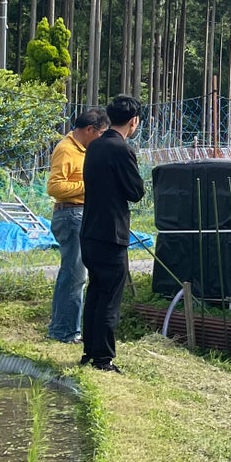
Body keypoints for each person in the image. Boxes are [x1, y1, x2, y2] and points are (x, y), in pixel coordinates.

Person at [80, 94, 144, 372]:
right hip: (111, 231)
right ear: (134, 121)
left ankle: (89, 351)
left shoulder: (94, 146)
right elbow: (136, 192)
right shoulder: (122, 150)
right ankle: (103, 359)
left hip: (90, 228)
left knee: (94, 291)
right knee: (110, 296)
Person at [45, 107, 108, 342]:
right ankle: (65, 332)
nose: (102, 138)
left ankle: (67, 328)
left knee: (77, 275)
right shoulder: (66, 149)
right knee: (74, 276)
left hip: (81, 214)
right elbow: (55, 188)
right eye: (101, 133)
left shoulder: (84, 149)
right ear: (89, 129)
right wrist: (88, 185)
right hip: (70, 215)